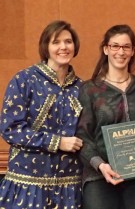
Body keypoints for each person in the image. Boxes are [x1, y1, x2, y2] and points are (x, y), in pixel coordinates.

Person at [0, 20, 83, 208]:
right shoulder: (24, 80)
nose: (63, 47)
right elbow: (10, 129)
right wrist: (57, 142)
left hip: (69, 185)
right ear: (46, 46)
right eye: (56, 42)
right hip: (28, 182)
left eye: (68, 41)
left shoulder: (83, 88)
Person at [76, 24, 135, 209]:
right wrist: (101, 165)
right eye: (115, 46)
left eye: (126, 47)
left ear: (132, 51)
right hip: (99, 175)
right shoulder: (90, 89)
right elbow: (83, 137)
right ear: (106, 49)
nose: (120, 52)